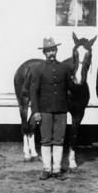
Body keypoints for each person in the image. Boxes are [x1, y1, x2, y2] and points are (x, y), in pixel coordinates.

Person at [31, 37, 73, 181]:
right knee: (46, 140)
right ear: (44, 53)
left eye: (53, 50)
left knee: (59, 140)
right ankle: (46, 169)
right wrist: (35, 111)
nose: (51, 53)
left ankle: (56, 169)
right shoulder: (38, 69)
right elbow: (34, 91)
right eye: (48, 51)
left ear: (56, 50)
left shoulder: (64, 68)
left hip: (61, 109)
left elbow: (69, 88)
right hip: (45, 110)